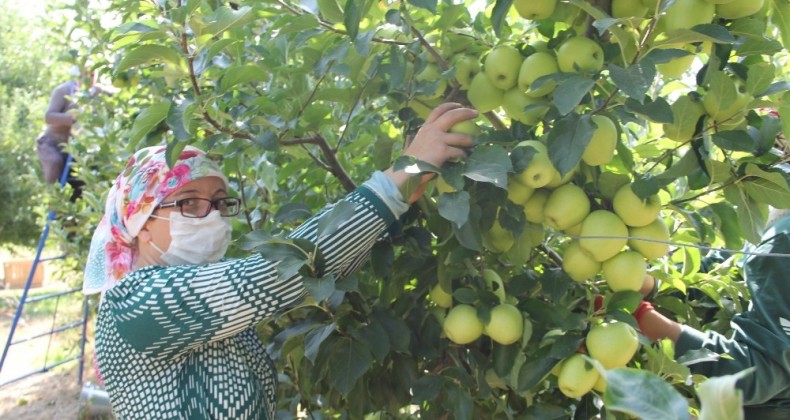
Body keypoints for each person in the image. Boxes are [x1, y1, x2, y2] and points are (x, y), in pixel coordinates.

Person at [82, 103, 478, 418]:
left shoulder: (209, 304)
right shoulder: (133, 303)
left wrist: (396, 201)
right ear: (141, 223)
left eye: (221, 203)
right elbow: (275, 277)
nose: (214, 215)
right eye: (189, 203)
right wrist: (399, 177)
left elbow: (317, 274)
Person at [634, 207, 790, 418]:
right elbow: (724, 268)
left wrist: (653, 323)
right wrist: (653, 284)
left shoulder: (782, 239)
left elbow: (763, 370)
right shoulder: (770, 225)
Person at [36, 64, 108, 201]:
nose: (89, 78)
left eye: (93, 74)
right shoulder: (64, 91)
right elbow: (49, 117)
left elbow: (116, 95)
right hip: (53, 142)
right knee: (55, 163)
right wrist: (73, 118)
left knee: (87, 173)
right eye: (86, 74)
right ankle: (54, 200)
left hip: (78, 146)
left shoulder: (95, 92)